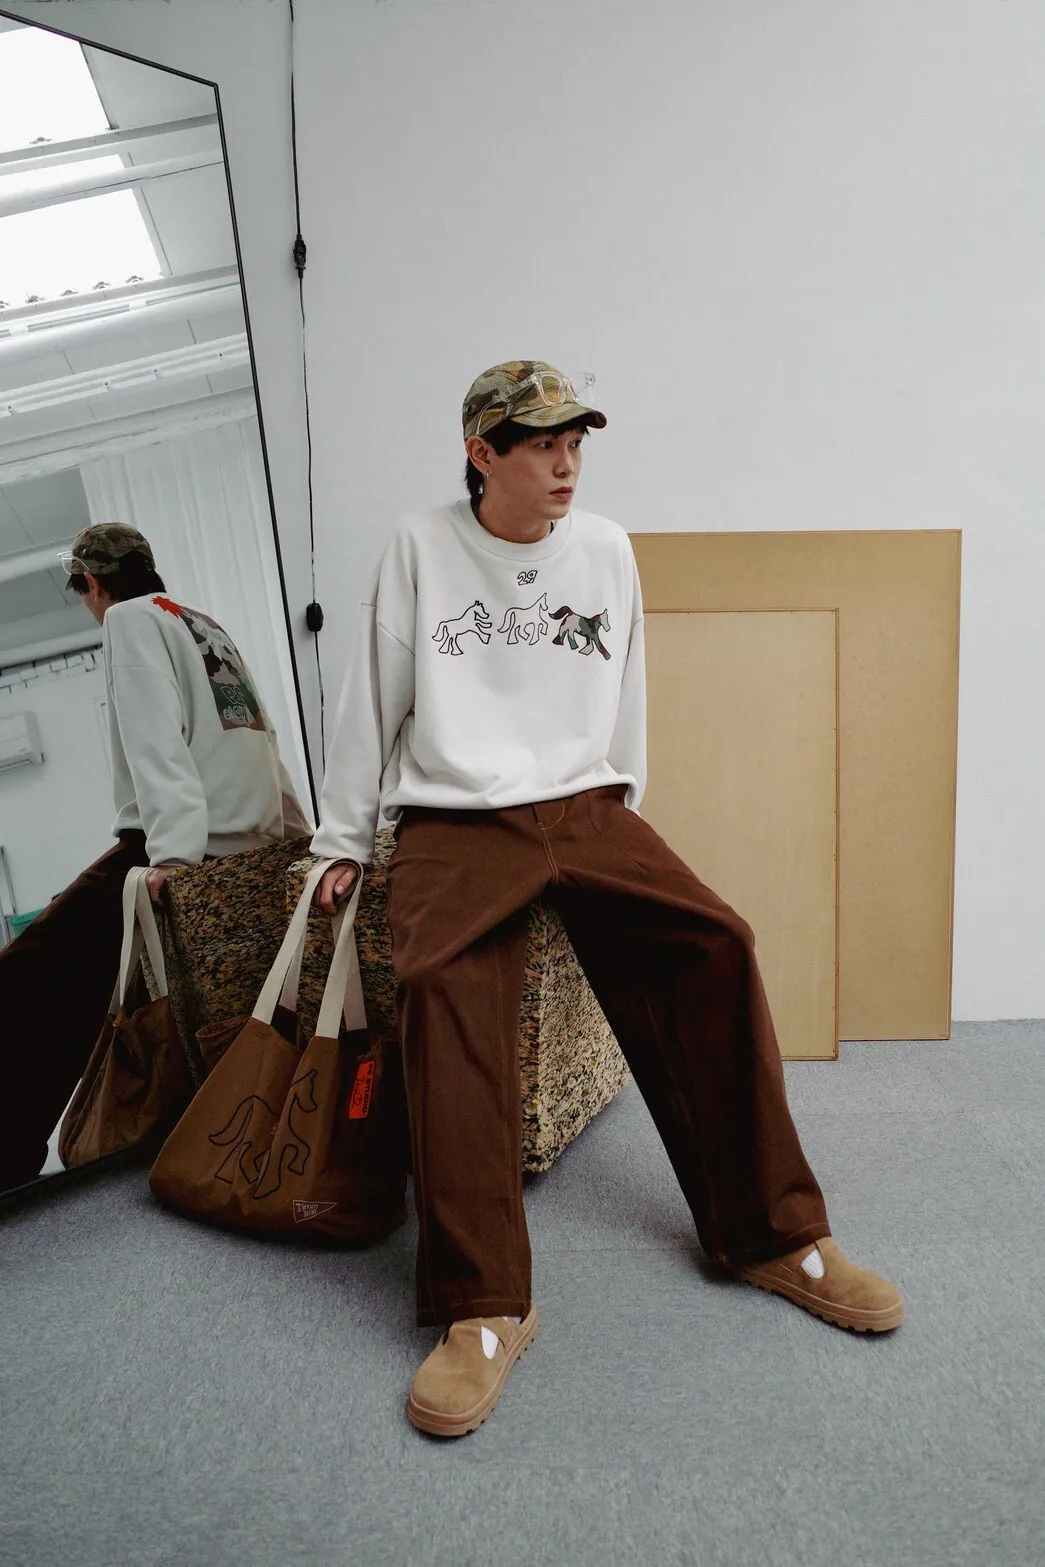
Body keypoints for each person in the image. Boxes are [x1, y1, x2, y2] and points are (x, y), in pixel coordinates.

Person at [310, 360, 903, 1439]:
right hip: (454, 813)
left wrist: (622, 811)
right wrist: (342, 839)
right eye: (540, 444)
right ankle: (483, 1303)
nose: (566, 464)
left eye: (575, 442)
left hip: (584, 801)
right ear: (481, 453)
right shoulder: (418, 545)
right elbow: (373, 698)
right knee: (441, 982)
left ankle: (773, 1234)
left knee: (716, 940)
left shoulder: (607, 547)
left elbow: (625, 687)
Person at [0, 524, 312, 1188]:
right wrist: (296, 834)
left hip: (176, 846)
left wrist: (171, 856)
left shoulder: (129, 621)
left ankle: (8, 1155)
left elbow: (156, 743)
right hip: (248, 842)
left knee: (28, 976)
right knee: (87, 982)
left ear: (91, 583)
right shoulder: (203, 625)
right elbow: (259, 736)